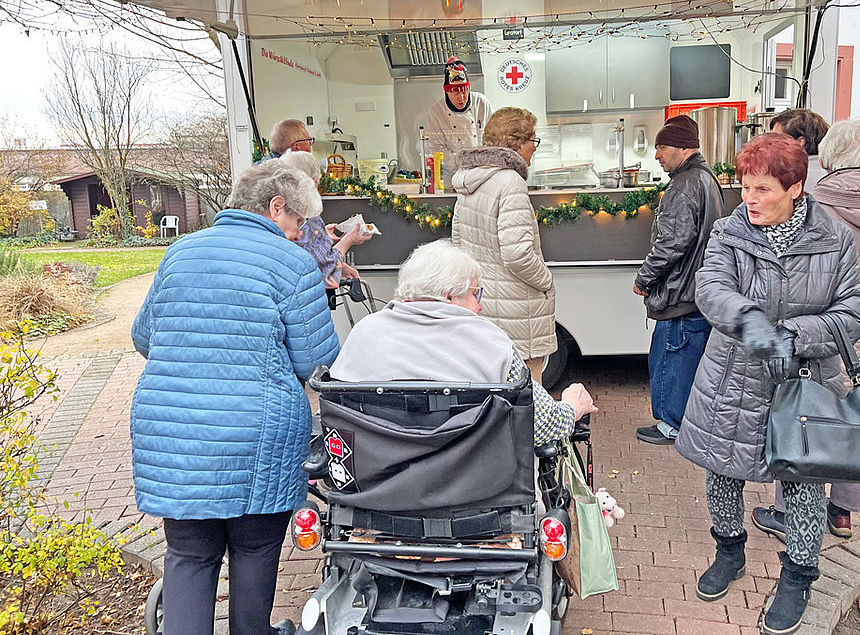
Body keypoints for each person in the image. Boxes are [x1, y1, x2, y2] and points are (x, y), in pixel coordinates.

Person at [130, 160, 341, 635]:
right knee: (254, 547)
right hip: (254, 434)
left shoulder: (180, 252)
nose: (298, 233)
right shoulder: (291, 264)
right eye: (298, 222)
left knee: (188, 553)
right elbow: (318, 364)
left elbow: (144, 337)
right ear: (276, 206)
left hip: (172, 433)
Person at [675, 133, 860, 635]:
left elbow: (855, 310)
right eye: (745, 186)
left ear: (797, 188)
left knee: (803, 483)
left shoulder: (835, 239)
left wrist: (794, 335)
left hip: (807, 382)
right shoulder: (728, 233)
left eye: (763, 188)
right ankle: (729, 551)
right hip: (732, 379)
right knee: (722, 471)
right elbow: (712, 289)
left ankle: (799, 575)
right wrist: (753, 325)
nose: (751, 199)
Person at [752, 119, 860, 542]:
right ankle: (841, 513)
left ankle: (789, 509)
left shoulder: (814, 202)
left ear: (832, 155)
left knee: (803, 414)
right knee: (858, 419)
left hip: (820, 329)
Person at [330, 240, 596, 445]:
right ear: (449, 296)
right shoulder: (490, 343)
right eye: (475, 293)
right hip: (474, 492)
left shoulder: (364, 333)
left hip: (374, 489)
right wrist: (572, 407)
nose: (480, 306)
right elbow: (542, 426)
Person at [632, 115, 724, 445]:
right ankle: (684, 421)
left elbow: (672, 243)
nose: (657, 155)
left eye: (662, 147)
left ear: (683, 149)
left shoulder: (684, 185)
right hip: (698, 291)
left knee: (672, 359)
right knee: (689, 363)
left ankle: (672, 424)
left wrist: (645, 277)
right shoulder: (706, 179)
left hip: (679, 295)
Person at [451, 107, 554, 383]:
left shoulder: (469, 182)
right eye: (533, 140)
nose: (534, 148)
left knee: (496, 386)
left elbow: (458, 243)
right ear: (517, 143)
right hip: (518, 308)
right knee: (529, 390)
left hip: (485, 304)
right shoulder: (510, 182)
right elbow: (518, 254)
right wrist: (545, 279)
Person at [279, 148, 372, 286]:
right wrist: (348, 240)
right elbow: (324, 267)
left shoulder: (279, 213)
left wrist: (322, 235)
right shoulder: (304, 216)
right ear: (314, 180)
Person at [422, 57, 493, 186]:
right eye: (455, 93)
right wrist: (464, 160)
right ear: (447, 92)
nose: (461, 98)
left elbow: (494, 138)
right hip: (453, 179)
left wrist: (481, 161)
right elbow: (436, 149)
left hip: (483, 175)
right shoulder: (436, 112)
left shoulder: (482, 103)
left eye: (464, 91)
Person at [769, 108, 830, 188]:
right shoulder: (826, 170)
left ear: (800, 142)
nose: (771, 143)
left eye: (778, 138)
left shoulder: (796, 176)